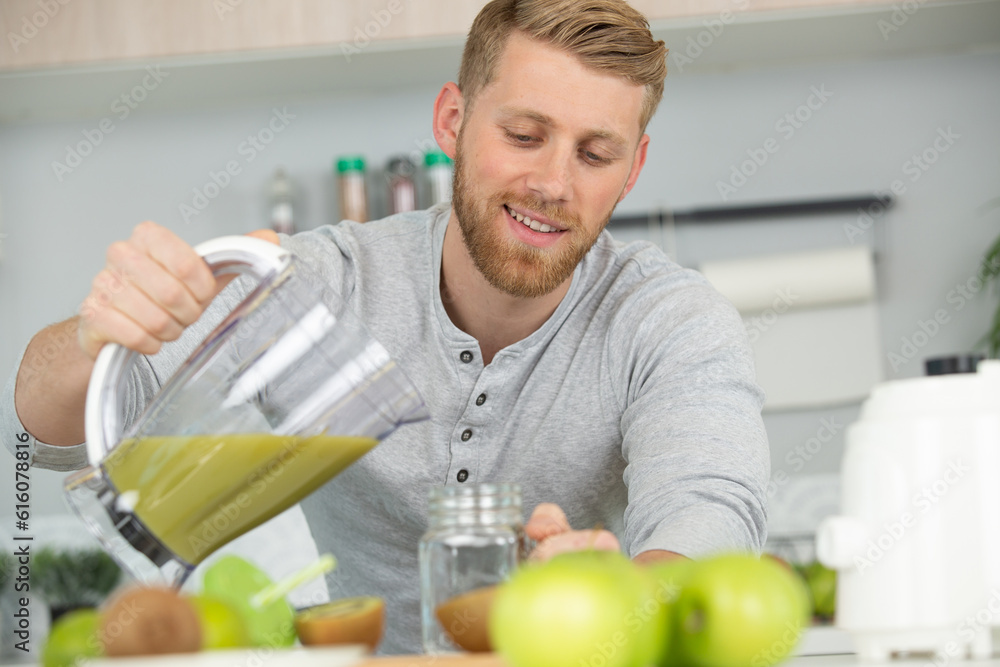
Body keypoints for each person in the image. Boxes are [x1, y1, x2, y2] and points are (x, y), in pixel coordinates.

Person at [3, 0, 769, 654]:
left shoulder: (670, 321)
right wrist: (96, 336)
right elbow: (47, 435)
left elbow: (708, 526)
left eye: (596, 153)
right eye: (525, 135)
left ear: (632, 170)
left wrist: (620, 590)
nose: (554, 184)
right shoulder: (325, 281)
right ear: (453, 121)